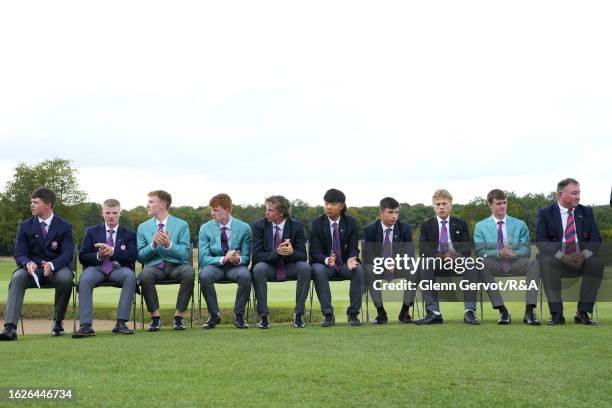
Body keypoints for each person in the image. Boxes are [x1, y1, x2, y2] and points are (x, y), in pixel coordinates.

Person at [0, 188, 74, 341]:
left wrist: (52, 265)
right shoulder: (25, 226)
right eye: (31, 202)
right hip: (31, 270)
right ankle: (10, 329)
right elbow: (19, 253)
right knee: (18, 277)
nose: (31, 205)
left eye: (35, 202)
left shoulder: (64, 226)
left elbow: (68, 254)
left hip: (56, 270)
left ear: (48, 204)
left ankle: (58, 324)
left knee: (66, 278)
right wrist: (27, 263)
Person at [536, 178, 603, 325]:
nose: (578, 196)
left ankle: (582, 313)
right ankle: (556, 314)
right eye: (574, 193)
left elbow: (596, 239)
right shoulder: (545, 213)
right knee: (545, 261)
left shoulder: (586, 212)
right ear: (560, 194)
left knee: (596, 264)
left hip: (581, 260)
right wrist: (562, 256)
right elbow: (541, 242)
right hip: (557, 261)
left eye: (579, 192)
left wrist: (583, 255)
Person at [474, 189, 540, 325]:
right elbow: (480, 251)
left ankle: (529, 312)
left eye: (504, 202)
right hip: (495, 264)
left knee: (534, 263)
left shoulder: (520, 224)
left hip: (516, 262)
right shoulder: (480, 226)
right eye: (498, 203)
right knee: (481, 263)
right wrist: (499, 253)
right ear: (490, 205)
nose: (502, 206)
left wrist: (514, 253)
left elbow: (526, 249)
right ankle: (502, 311)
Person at [72, 199, 137, 338]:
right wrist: (99, 256)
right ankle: (86, 326)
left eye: (114, 212)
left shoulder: (130, 234)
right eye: (108, 212)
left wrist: (113, 252)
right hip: (96, 268)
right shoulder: (91, 231)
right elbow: (83, 257)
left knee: (130, 277)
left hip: (118, 269)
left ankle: (121, 323)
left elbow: (132, 257)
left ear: (121, 213)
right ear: (102, 213)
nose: (111, 216)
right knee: (84, 279)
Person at [415, 189, 477, 325]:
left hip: (457, 260)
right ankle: (433, 312)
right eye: (438, 204)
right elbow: (424, 249)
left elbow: (467, 248)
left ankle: (470, 311)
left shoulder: (461, 223)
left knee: (471, 264)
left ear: (451, 205)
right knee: (425, 263)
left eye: (444, 203)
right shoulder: (426, 225)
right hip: (436, 261)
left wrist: (454, 255)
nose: (441, 207)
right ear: (433, 206)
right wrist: (441, 256)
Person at [137, 190, 194, 331]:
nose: (147, 205)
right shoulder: (143, 227)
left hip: (176, 266)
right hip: (154, 267)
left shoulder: (182, 225)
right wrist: (153, 245)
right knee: (144, 275)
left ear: (162, 204)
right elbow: (141, 257)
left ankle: (179, 317)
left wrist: (169, 244)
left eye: (151, 202)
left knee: (189, 272)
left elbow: (184, 253)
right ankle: (155, 318)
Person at [251, 196, 311, 329]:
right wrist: (276, 252)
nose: (266, 213)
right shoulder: (258, 226)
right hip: (268, 266)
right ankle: (263, 316)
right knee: (258, 269)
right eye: (266, 209)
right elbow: (257, 256)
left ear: (282, 212)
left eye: (270, 210)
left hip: (290, 265)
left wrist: (291, 252)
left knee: (305, 268)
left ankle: (299, 314)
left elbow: (303, 256)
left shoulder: (297, 226)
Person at [310, 188, 365, 327]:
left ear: (342, 206)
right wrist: (326, 260)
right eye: (326, 203)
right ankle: (328, 314)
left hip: (345, 264)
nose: (328, 207)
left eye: (333, 204)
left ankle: (353, 314)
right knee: (318, 270)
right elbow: (314, 252)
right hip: (324, 264)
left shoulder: (351, 222)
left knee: (358, 270)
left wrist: (352, 258)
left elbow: (353, 247)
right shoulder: (316, 223)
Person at [199, 193, 252, 329]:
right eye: (211, 209)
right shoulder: (205, 228)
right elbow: (204, 258)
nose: (212, 213)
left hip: (235, 267)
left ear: (227, 210)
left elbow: (246, 257)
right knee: (204, 275)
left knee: (246, 275)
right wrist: (224, 258)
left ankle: (239, 315)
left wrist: (237, 258)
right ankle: (214, 315)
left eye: (216, 210)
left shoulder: (244, 228)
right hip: (215, 266)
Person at [363, 197, 416, 324]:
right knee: (369, 270)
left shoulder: (405, 228)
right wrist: (384, 263)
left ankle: (405, 311)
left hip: (398, 265)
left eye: (396, 212)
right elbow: (368, 255)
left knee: (414, 269)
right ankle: (381, 312)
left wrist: (396, 261)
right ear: (381, 213)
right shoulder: (370, 229)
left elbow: (410, 254)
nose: (394, 216)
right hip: (379, 265)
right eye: (391, 212)